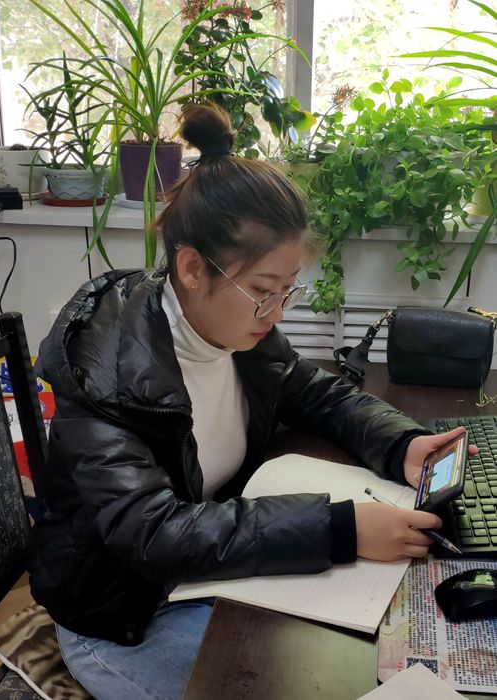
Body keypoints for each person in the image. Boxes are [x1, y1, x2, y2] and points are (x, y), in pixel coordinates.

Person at [29, 104, 470, 700]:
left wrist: (401, 443)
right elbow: (152, 531)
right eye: (264, 291)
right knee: (301, 683)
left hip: (209, 575)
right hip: (122, 617)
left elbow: (314, 391)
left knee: (361, 650)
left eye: (288, 290)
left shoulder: (239, 331)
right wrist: (340, 528)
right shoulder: (106, 371)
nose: (278, 313)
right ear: (192, 269)